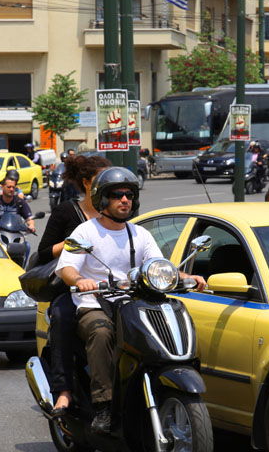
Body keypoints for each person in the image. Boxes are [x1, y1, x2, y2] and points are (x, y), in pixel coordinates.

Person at [56, 167, 206, 433]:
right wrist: (80, 281)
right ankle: (103, 405)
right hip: (94, 304)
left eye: (128, 194)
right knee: (101, 332)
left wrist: (186, 276)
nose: (124, 200)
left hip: (133, 303)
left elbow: (158, 266)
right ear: (103, 199)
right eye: (117, 195)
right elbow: (66, 267)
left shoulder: (140, 234)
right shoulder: (85, 232)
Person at [35, 154, 110, 416]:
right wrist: (75, 243)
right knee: (63, 317)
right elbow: (43, 252)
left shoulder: (115, 212)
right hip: (73, 288)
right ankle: (64, 390)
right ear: (88, 183)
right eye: (103, 180)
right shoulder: (67, 211)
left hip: (110, 289)